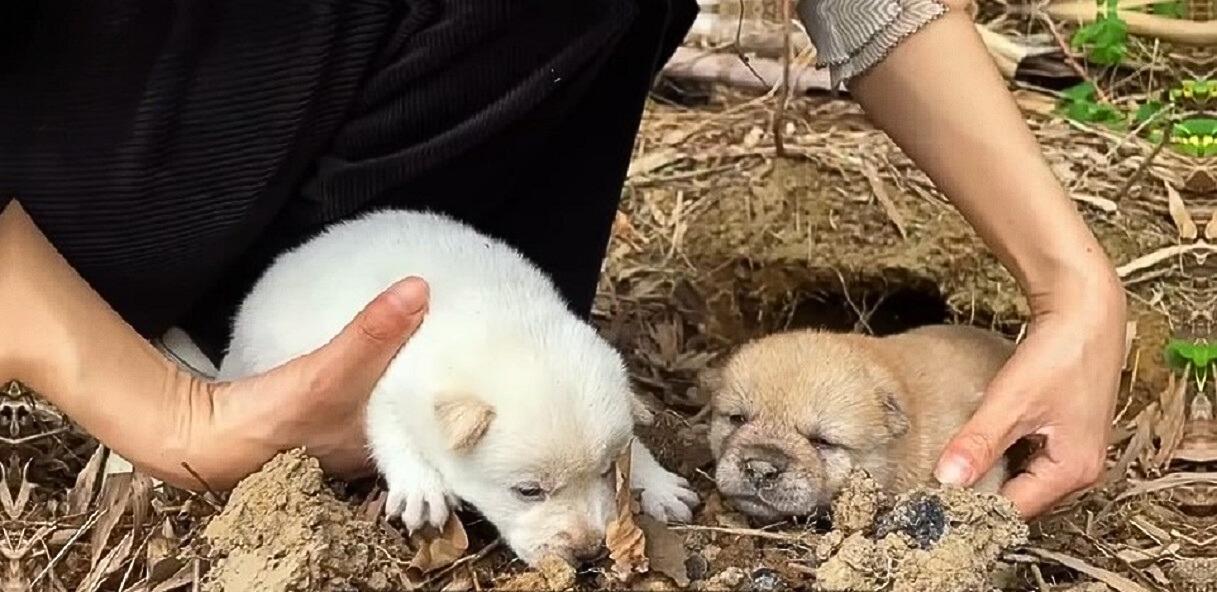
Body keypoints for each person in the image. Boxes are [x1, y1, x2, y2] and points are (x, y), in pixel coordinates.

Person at [0, 0, 1125, 520]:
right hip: (66, 206)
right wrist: (168, 415)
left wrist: (1072, 280)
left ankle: (341, 363)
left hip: (394, 254)